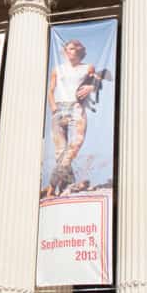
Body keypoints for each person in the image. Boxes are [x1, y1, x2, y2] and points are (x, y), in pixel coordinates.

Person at [47, 38, 98, 195]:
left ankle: (51, 186)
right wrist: (54, 109)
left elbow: (98, 80)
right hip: (59, 108)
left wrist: (91, 86)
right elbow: (50, 90)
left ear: (80, 51)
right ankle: (66, 185)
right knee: (60, 152)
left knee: (73, 147)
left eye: (74, 49)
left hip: (76, 108)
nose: (71, 51)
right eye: (68, 48)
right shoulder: (58, 69)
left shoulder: (87, 67)